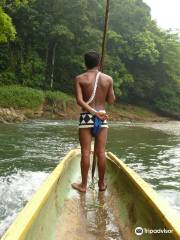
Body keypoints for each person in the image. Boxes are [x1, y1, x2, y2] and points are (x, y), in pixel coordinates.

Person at [72, 51, 115, 193]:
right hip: (102, 117)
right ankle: (101, 185)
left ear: (85, 63)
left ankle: (83, 186)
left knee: (85, 151)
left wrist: (92, 112)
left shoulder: (80, 78)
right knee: (101, 152)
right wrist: (108, 87)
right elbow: (111, 100)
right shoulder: (108, 79)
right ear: (99, 63)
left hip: (86, 116)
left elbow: (79, 101)